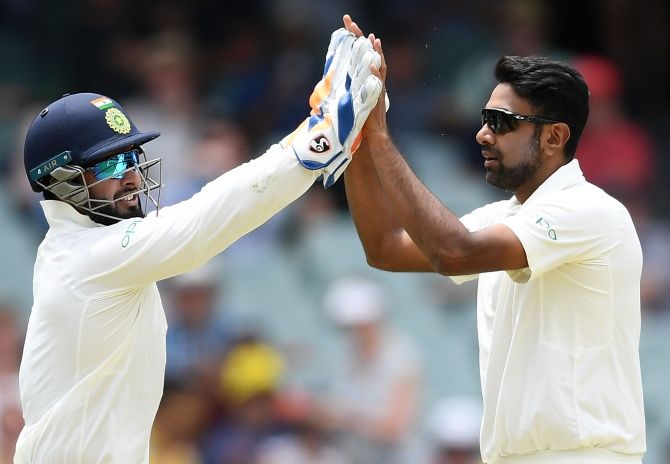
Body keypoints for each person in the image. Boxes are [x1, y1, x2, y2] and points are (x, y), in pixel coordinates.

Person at [15, 27, 382, 463]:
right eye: (112, 163)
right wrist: (315, 139)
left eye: (132, 158)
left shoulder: (81, 249)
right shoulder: (90, 258)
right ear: (61, 180)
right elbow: (206, 219)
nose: (132, 174)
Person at [341, 14, 646, 464]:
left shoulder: (589, 210)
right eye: (485, 118)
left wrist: (383, 137)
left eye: (501, 121)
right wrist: (359, 132)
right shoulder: (506, 217)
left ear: (554, 137)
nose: (482, 134)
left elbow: (453, 252)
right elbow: (384, 247)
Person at [316, 277, 423, 464]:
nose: (354, 332)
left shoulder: (402, 357)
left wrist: (340, 418)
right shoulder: (345, 355)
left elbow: (395, 428)